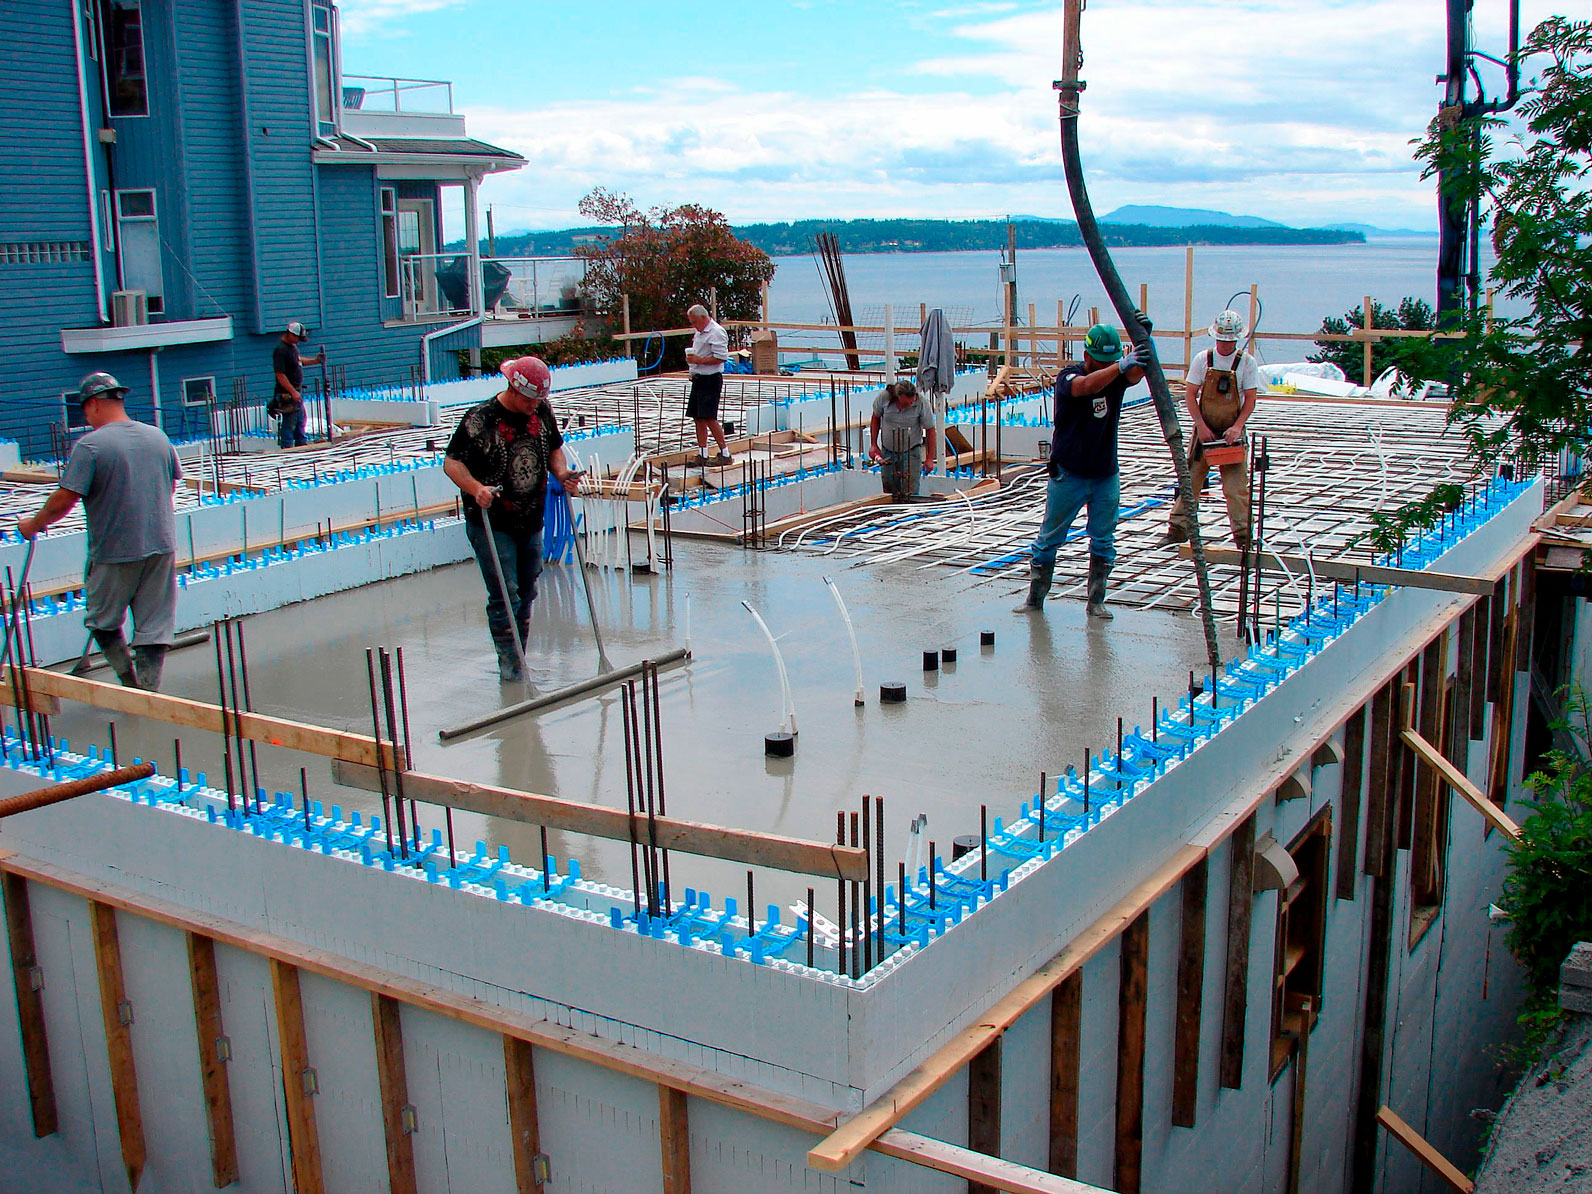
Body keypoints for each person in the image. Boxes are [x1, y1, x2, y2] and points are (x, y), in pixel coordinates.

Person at [17, 373, 181, 690]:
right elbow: (171, 484)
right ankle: (149, 692)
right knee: (154, 626)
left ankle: (130, 686)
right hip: (161, 546)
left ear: (92, 405)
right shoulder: (157, 436)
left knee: (102, 621)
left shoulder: (91, 446)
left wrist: (32, 525)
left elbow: (63, 499)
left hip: (114, 552)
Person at [443, 355, 585, 682]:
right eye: (530, 400)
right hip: (492, 524)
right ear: (513, 389)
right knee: (505, 593)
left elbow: (554, 448)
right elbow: (453, 463)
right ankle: (510, 665)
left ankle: (519, 655)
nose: (535, 406)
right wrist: (475, 487)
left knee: (527, 588)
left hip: (531, 518)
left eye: (539, 400)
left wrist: (561, 473)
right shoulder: (481, 419)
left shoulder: (541, 411)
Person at [1014, 325, 1146, 620]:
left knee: (1103, 539)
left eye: (1110, 363)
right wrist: (1119, 366)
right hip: (1069, 474)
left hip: (1104, 474)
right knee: (1049, 538)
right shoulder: (1069, 378)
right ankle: (1035, 599)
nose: (1107, 368)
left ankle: (1096, 600)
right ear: (1086, 357)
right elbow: (1087, 387)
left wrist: (1143, 342)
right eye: (1102, 363)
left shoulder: (1114, 375)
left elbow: (1136, 374)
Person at [1159, 309, 1259, 550]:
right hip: (1205, 431)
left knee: (1236, 488)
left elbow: (1251, 399)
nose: (1225, 345)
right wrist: (1201, 427)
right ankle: (1179, 528)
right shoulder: (1203, 360)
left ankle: (1243, 536)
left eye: (1229, 341)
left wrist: (1237, 427)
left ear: (1236, 339)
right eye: (1222, 340)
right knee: (1190, 480)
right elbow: (1191, 395)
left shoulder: (1246, 363)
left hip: (1231, 434)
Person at [868, 380, 936, 501]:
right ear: (898, 397)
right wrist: (873, 444)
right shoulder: (884, 398)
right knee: (889, 491)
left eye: (911, 402)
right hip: (888, 451)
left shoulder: (921, 403)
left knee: (910, 491)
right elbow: (875, 418)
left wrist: (930, 458)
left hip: (911, 451)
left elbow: (930, 429)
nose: (909, 405)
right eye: (906, 403)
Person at [684, 303, 731, 467]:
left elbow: (721, 357)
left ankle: (725, 453)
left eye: (694, 322)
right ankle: (702, 453)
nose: (693, 326)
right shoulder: (700, 332)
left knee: (710, 417)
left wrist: (700, 361)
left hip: (710, 379)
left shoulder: (716, 332)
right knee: (698, 417)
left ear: (703, 318)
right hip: (699, 378)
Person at [271, 320, 323, 449]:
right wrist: (293, 392)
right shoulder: (280, 350)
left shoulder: (292, 347)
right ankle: (288, 449)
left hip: (295, 392)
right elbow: (280, 374)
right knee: (289, 424)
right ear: (290, 334)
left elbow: (298, 361)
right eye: (297, 338)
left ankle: (301, 446)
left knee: (300, 421)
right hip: (287, 394)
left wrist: (316, 361)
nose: (298, 341)